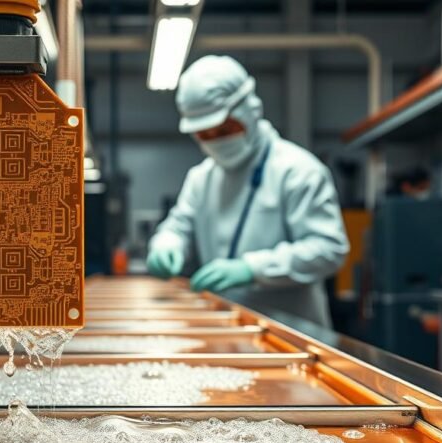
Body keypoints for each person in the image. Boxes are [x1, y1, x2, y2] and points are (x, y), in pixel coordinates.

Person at [146, 55, 349, 327]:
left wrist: (253, 269)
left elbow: (328, 248)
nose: (214, 140)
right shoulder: (201, 178)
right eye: (203, 135)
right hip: (224, 328)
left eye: (224, 129)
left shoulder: (298, 170)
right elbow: (178, 226)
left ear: (250, 112)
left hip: (291, 335)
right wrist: (166, 245)